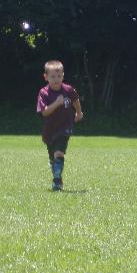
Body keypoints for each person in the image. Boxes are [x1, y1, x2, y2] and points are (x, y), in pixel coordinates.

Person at [36, 60, 83, 191]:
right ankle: (57, 177)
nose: (56, 79)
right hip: (50, 130)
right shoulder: (44, 93)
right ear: (46, 77)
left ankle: (56, 181)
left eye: (59, 76)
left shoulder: (68, 90)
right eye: (52, 76)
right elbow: (44, 112)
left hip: (65, 127)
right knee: (53, 159)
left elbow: (76, 100)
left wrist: (79, 112)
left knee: (59, 153)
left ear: (63, 76)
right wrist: (56, 103)